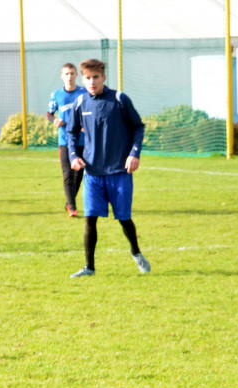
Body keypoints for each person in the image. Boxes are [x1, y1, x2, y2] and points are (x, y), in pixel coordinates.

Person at [66, 58, 150, 278]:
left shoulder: (119, 99)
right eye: (87, 78)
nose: (91, 82)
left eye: (96, 77)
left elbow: (138, 127)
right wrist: (74, 155)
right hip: (93, 172)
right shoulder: (80, 102)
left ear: (104, 77)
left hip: (119, 172)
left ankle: (135, 251)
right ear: (82, 79)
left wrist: (134, 153)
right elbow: (71, 132)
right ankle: (89, 267)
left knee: (123, 218)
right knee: (90, 219)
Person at [47, 63, 86, 218]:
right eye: (66, 74)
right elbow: (49, 114)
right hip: (64, 141)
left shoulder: (84, 93)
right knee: (68, 173)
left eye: (72, 73)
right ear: (61, 76)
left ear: (76, 75)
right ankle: (72, 208)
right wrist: (54, 120)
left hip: (83, 141)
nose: (69, 77)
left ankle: (69, 203)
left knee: (79, 175)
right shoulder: (56, 95)